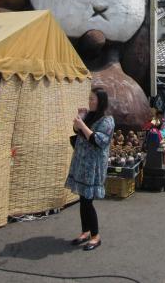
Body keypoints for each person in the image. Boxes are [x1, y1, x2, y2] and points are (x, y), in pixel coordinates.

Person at [65, 88, 115, 251]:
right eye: (89, 98)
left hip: (93, 167)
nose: (90, 101)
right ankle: (85, 231)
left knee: (87, 202)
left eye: (92, 99)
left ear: (100, 101)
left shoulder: (107, 120)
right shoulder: (91, 116)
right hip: (82, 163)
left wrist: (82, 125)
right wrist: (80, 120)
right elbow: (77, 131)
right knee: (83, 199)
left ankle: (95, 236)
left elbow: (98, 140)